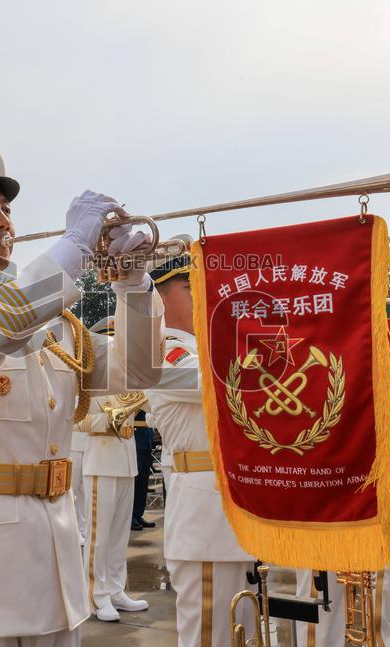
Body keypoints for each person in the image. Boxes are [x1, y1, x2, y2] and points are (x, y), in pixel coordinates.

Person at [0, 130, 165, 646]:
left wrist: (133, 285)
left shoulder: (53, 325)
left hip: (52, 578)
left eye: (5, 208)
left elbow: (140, 369)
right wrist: (69, 251)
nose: (3, 222)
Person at [143, 236, 255, 647]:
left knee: (238, 629)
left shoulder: (202, 348)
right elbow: (221, 383)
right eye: (191, 287)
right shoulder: (166, 351)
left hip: (229, 512)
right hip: (206, 519)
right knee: (210, 634)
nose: (203, 295)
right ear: (158, 295)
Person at [79, 339, 149, 621]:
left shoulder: (128, 384)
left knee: (120, 534)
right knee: (99, 537)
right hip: (101, 460)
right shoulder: (88, 383)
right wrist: (107, 421)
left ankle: (116, 589)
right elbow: (74, 419)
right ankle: (96, 595)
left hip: (126, 461)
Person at [131, 410, 156, 530]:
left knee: (143, 482)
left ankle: (138, 514)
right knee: (135, 482)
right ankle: (130, 518)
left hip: (146, 439)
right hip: (136, 439)